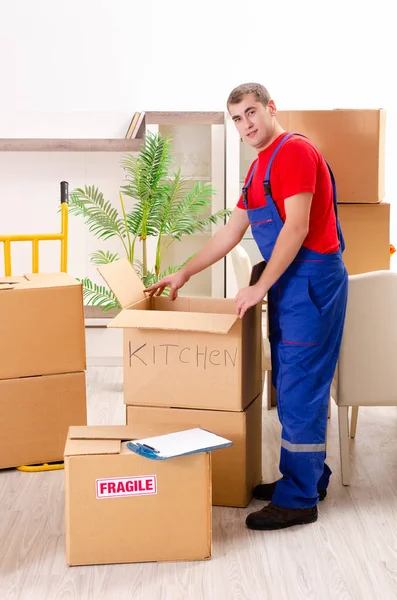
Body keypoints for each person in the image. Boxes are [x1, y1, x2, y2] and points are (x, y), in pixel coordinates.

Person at [145, 82, 348, 531]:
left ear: (271, 108)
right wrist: (183, 272)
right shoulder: (259, 168)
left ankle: (299, 501)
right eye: (237, 118)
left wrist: (259, 288)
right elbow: (228, 234)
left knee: (299, 391)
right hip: (291, 283)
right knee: (293, 382)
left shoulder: (293, 152)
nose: (246, 124)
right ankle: (307, 479)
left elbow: (296, 228)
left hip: (310, 283)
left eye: (252, 112)